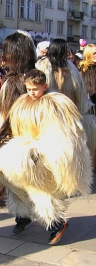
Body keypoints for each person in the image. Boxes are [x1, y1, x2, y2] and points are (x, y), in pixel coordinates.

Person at [0, 69, 92, 245]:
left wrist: (43, 150)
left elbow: (64, 133)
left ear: (44, 86)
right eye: (28, 89)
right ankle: (22, 215)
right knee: (12, 181)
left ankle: (55, 223)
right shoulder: (22, 103)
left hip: (44, 152)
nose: (31, 93)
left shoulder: (55, 103)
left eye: (35, 89)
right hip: (22, 149)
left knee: (40, 189)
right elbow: (12, 126)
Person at [35, 38, 96, 169]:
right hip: (49, 112)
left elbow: (79, 89)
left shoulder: (70, 66)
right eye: (65, 48)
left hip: (69, 111)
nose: (68, 51)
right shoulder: (42, 65)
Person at [0, 30, 37, 207]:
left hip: (16, 138)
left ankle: (21, 211)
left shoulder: (10, 82)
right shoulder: (37, 77)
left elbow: (3, 117)